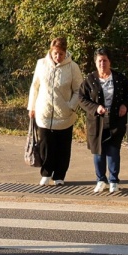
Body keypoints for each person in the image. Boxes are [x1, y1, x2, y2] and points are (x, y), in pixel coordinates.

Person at [78, 48, 128, 194]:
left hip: (116, 122)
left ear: (110, 61)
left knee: (113, 151)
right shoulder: (89, 80)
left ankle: (114, 180)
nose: (102, 63)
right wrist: (95, 107)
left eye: (105, 60)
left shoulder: (119, 78)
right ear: (95, 62)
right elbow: (81, 99)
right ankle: (100, 179)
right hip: (96, 123)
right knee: (98, 153)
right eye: (99, 61)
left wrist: (125, 105)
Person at [27, 36, 84, 186]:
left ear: (66, 53)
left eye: (61, 54)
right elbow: (35, 86)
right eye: (55, 54)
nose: (58, 57)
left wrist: (71, 106)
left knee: (62, 147)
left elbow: (79, 90)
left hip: (64, 114)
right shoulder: (41, 64)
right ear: (51, 52)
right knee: (45, 144)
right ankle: (46, 173)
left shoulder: (73, 67)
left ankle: (59, 175)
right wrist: (31, 107)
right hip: (43, 112)